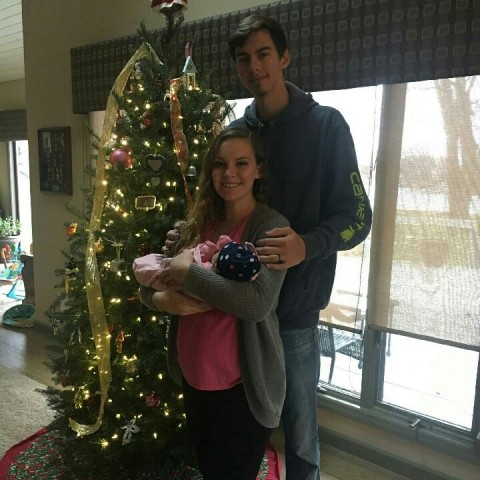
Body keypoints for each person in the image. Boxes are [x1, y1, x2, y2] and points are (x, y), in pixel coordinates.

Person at [225, 14, 373, 480]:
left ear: (285, 57)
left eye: (263, 54)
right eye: (244, 59)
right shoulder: (237, 132)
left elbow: (359, 218)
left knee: (300, 431)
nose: (254, 67)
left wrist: (306, 247)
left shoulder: (327, 125)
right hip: (237, 308)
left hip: (295, 315)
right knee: (241, 427)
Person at [139, 127, 290, 480]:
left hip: (242, 390)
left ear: (259, 169)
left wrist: (188, 274)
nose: (229, 173)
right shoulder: (195, 224)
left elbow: (256, 303)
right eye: (220, 164)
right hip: (194, 379)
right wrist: (159, 299)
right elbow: (152, 275)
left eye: (241, 163)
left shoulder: (270, 228)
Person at [133, 235, 261, 291]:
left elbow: (257, 306)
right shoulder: (200, 219)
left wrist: (186, 270)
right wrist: (156, 300)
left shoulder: (264, 227)